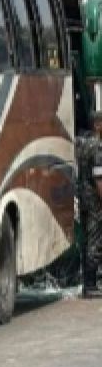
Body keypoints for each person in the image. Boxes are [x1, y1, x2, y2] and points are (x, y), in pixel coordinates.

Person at [78, 110, 102, 296]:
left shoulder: (82, 144)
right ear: (96, 125)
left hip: (83, 197)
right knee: (94, 239)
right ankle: (90, 285)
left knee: (87, 239)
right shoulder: (97, 146)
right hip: (94, 198)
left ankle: (87, 283)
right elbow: (99, 178)